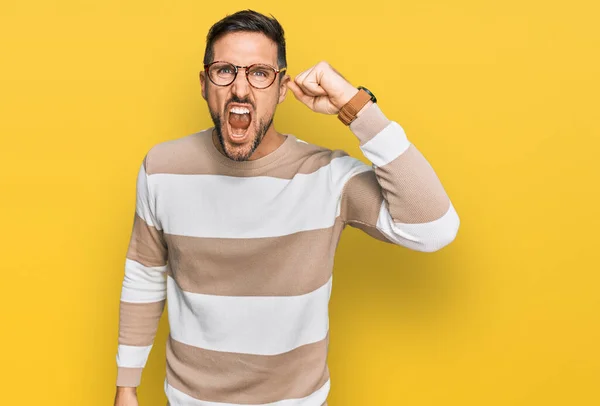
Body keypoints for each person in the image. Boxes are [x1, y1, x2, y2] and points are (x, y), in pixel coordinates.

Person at [113, 9, 460, 406]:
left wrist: (356, 107)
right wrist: (127, 386)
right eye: (225, 70)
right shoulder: (162, 168)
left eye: (259, 73)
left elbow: (435, 228)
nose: (240, 89)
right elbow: (143, 275)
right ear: (205, 84)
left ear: (281, 88)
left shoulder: (327, 177)